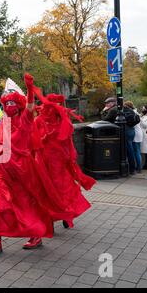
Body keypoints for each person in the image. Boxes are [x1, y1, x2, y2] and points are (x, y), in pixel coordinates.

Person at [0, 73, 59, 256]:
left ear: (18, 104)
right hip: (5, 170)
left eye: (12, 103)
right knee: (0, 207)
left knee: (26, 204)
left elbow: (30, 105)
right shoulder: (4, 123)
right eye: (6, 103)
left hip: (24, 170)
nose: (9, 106)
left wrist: (30, 88)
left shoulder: (26, 119)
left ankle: (35, 235)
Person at [34, 93, 95, 229]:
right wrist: (44, 138)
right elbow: (33, 140)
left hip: (58, 161)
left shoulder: (62, 120)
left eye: (58, 104)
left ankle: (66, 214)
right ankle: (50, 218)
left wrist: (70, 157)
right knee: (46, 189)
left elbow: (68, 140)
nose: (56, 107)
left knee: (62, 188)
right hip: (44, 161)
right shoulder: (39, 121)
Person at [124, 101, 142, 173]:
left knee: (134, 150)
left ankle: (135, 168)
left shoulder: (130, 112)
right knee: (136, 151)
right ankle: (138, 167)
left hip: (133, 131)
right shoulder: (135, 112)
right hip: (134, 131)